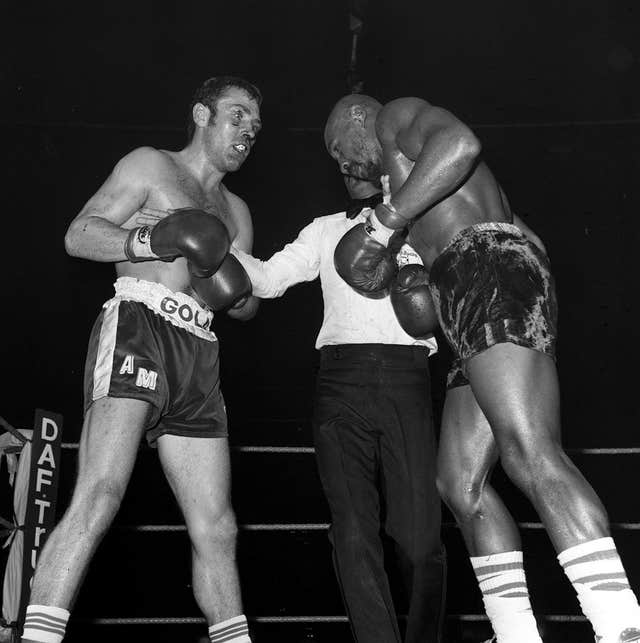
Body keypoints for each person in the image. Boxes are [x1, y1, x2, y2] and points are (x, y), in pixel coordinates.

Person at [328, 94, 640, 643]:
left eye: (337, 148)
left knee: (529, 449)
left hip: (487, 274)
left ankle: (620, 625)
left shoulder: (394, 117)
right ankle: (516, 633)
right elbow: (528, 239)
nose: (342, 164)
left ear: (356, 120)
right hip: (474, 292)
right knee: (458, 481)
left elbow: (461, 144)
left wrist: (383, 226)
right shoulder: (410, 191)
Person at [21, 76, 262, 643]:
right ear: (202, 114)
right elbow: (78, 234)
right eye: (238, 115)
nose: (249, 129)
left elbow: (246, 307)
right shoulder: (151, 166)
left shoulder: (238, 211)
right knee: (101, 493)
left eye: (256, 124)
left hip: (200, 347)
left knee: (218, 528)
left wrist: (233, 287)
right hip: (139, 326)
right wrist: (152, 242)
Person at [230, 175, 446, 643]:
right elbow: (267, 280)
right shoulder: (325, 229)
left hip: (407, 376)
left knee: (421, 539)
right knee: (351, 531)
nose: (351, 165)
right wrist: (214, 243)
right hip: (339, 379)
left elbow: (457, 296)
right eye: (340, 158)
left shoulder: (426, 227)